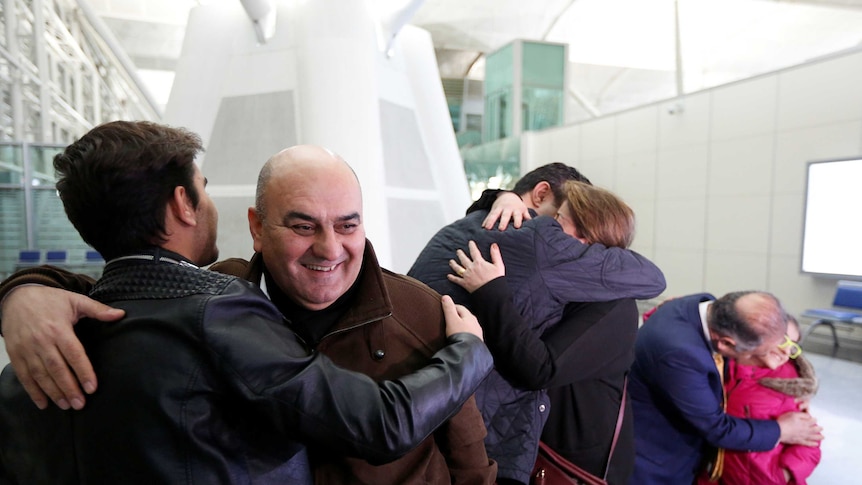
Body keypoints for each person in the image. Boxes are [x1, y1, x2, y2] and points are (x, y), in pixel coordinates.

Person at [0, 121, 494, 484]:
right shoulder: (218, 305)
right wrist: (471, 352)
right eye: (302, 226)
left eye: (348, 224)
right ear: (185, 205)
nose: (329, 247)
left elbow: (469, 456)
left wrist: (23, 290)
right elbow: (383, 423)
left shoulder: (35, 355)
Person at [408, 165, 666, 485]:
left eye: (559, 218)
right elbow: (653, 277)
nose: (550, 222)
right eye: (554, 215)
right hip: (475, 425)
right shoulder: (544, 241)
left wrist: (499, 197)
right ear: (541, 194)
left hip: (408, 391)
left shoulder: (464, 226)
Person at [628, 291, 824, 485]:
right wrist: (782, 430)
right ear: (726, 344)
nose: (776, 356)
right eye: (760, 353)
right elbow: (717, 427)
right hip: (657, 454)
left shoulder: (706, 307)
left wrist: (797, 391)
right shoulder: (680, 354)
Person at [695, 316, 821, 485]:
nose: (786, 351)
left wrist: (784, 474)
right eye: (783, 340)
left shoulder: (789, 384)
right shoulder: (722, 365)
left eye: (793, 346)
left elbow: (810, 441)